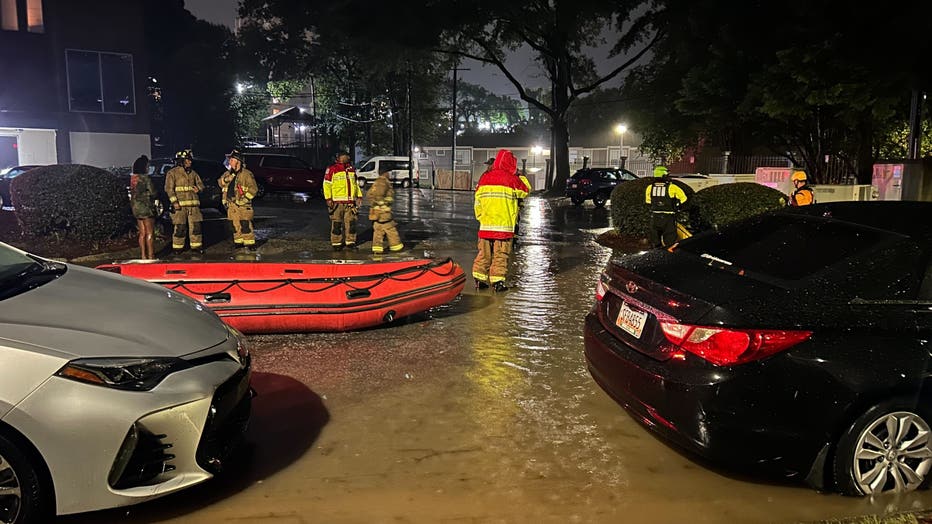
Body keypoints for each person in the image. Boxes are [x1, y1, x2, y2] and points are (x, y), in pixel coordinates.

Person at [473, 149, 529, 292]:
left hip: (485, 225)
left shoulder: (484, 178)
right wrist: (520, 176)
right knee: (500, 254)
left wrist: (480, 217)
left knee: (483, 253)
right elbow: (526, 190)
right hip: (503, 227)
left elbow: (477, 201)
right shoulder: (511, 179)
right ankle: (497, 282)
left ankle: (479, 278)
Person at [164, 149, 205, 254]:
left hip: (194, 206)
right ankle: (178, 248)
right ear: (181, 161)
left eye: (190, 160)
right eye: (187, 160)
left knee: (196, 227)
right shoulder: (172, 173)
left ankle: (196, 247)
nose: (190, 162)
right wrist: (174, 202)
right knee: (180, 227)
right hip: (180, 206)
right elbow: (169, 189)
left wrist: (199, 188)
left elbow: (201, 185)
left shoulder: (193, 173)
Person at [220, 149, 259, 251]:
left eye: (232, 160)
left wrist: (244, 200)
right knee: (234, 225)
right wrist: (227, 179)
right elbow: (220, 183)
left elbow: (253, 189)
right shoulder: (228, 173)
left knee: (245, 225)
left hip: (243, 205)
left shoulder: (247, 174)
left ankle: (250, 244)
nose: (230, 162)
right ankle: (238, 243)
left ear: (238, 161)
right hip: (231, 205)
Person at [323, 152, 362, 250]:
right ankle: (336, 243)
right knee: (337, 223)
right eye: (344, 156)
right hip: (337, 202)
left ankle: (350, 242)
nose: (347, 158)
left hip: (350, 202)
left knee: (351, 223)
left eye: (347, 156)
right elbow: (326, 185)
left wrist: (359, 197)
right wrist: (328, 198)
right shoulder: (332, 169)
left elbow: (356, 184)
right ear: (339, 158)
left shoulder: (351, 170)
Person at [644, 165, 688, 249]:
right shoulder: (672, 187)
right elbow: (684, 199)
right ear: (664, 176)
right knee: (670, 243)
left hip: (655, 217)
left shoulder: (650, 188)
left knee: (655, 242)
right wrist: (679, 207)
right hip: (669, 218)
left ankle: (655, 257)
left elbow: (648, 202)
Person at [366, 165, 404, 253]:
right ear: (385, 173)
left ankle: (377, 249)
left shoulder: (378, 181)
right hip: (383, 212)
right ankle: (396, 247)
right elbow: (378, 194)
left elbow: (369, 194)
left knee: (378, 230)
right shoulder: (382, 182)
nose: (389, 175)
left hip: (378, 212)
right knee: (390, 228)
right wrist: (383, 203)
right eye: (388, 173)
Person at [129, 155, 157, 260]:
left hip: (136, 208)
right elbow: (153, 192)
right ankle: (151, 256)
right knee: (150, 232)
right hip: (146, 207)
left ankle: (143, 256)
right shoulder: (145, 178)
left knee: (142, 233)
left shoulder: (133, 179)